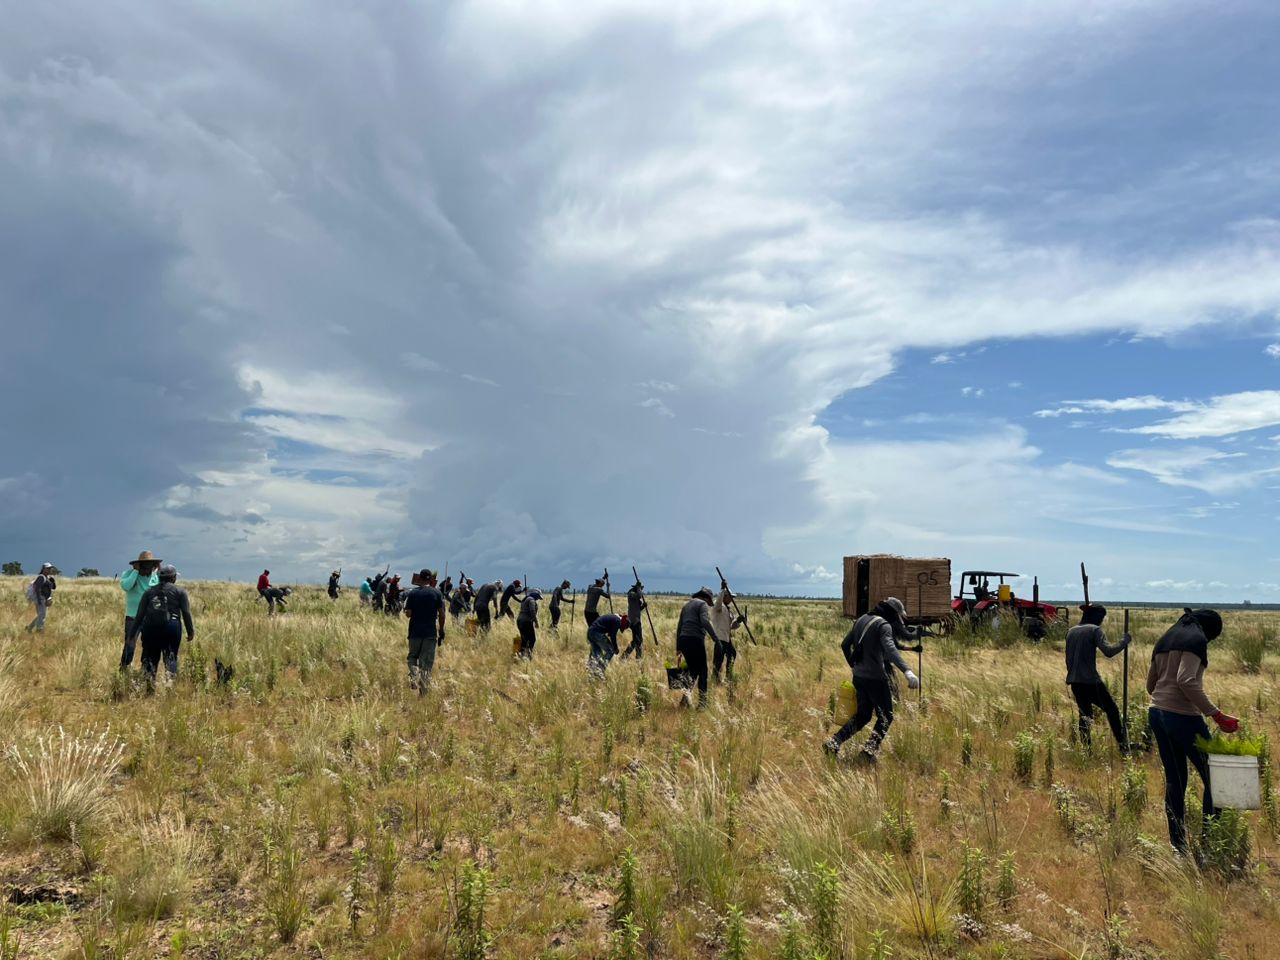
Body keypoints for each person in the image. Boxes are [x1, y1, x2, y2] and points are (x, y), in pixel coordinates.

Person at [1147, 609, 1238, 855]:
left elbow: (1150, 685)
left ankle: (1178, 847)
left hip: (1156, 713)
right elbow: (1186, 680)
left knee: (1175, 780)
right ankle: (1209, 847)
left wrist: (1166, 700)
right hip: (1182, 717)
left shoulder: (1165, 639)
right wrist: (1216, 714)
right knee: (1216, 777)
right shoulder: (1196, 640)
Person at [824, 597, 920, 761]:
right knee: (886, 716)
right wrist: (907, 671)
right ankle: (868, 752)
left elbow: (845, 644)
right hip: (876, 679)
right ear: (892, 612)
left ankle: (833, 743)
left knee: (863, 715)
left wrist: (853, 665)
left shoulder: (862, 619)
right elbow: (890, 649)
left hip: (858, 677)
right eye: (897, 615)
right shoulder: (883, 625)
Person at [1065, 604, 1131, 750]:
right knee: (1112, 710)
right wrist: (1124, 642)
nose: (1101, 621)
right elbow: (1108, 651)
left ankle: (1086, 750)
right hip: (1090, 681)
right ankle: (1122, 744)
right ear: (1097, 617)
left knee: (1085, 715)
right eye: (1102, 617)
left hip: (1075, 681)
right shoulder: (1094, 630)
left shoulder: (1071, 631)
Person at [129, 564, 195, 683]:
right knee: (171, 657)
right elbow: (186, 613)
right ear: (173, 578)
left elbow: (139, 615)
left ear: (159, 578)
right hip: (172, 627)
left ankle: (149, 686)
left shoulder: (148, 592)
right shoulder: (180, 592)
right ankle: (170, 685)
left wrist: (132, 634)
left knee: (150, 658)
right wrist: (190, 631)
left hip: (151, 628)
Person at [674, 588, 724, 708]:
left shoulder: (686, 606)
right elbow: (705, 621)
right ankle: (702, 703)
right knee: (702, 671)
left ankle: (685, 700)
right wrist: (716, 639)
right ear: (706, 597)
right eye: (709, 601)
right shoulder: (702, 604)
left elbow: (679, 627)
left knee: (692, 671)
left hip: (683, 640)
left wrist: (678, 647)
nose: (709, 603)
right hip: (695, 639)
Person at [403, 569, 446, 693]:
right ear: (431, 579)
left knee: (412, 657)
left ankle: (414, 674)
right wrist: (441, 630)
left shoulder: (413, 593)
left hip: (414, 632)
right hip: (430, 634)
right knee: (426, 664)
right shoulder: (437, 593)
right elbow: (442, 614)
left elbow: (408, 614)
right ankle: (424, 692)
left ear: (419, 578)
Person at [119, 551, 161, 669]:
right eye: (144, 565)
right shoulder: (128, 574)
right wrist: (136, 572)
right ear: (138, 565)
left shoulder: (155, 576)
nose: (147, 569)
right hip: (133, 616)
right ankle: (125, 668)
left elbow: (164, 587)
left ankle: (146, 670)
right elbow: (126, 586)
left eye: (150, 565)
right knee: (130, 644)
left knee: (149, 645)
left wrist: (159, 570)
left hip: (150, 617)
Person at [710, 586, 744, 681]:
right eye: (730, 597)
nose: (731, 599)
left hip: (727, 638)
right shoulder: (718, 607)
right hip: (719, 638)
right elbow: (718, 602)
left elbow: (731, 626)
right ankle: (715, 679)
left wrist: (738, 621)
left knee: (732, 654)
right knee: (718, 660)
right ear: (724, 596)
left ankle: (729, 676)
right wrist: (722, 590)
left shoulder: (729, 611)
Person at [587, 613, 628, 677]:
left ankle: (592, 672)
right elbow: (613, 635)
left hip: (590, 632)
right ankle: (600, 670)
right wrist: (615, 648)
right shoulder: (617, 621)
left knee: (596, 654)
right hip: (597, 633)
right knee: (611, 651)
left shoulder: (615, 617)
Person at [25, 563, 57, 633]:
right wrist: (39, 600)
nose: (49, 570)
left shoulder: (48, 578)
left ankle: (29, 627)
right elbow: (37, 588)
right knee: (42, 615)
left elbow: (53, 588)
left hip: (45, 599)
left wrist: (53, 581)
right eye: (48, 568)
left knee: (41, 614)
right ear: (43, 569)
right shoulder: (41, 577)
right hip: (41, 598)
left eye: (50, 568)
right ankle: (39, 629)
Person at [622, 581, 647, 658]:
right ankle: (638, 657)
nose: (641, 590)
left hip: (637, 620)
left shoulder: (635, 595)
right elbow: (639, 596)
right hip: (634, 621)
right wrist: (639, 587)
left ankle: (625, 656)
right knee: (638, 640)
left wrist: (643, 606)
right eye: (640, 588)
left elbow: (638, 609)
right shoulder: (631, 594)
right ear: (637, 588)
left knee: (636, 640)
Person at [516, 589, 543, 659]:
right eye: (538, 596)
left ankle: (519, 655)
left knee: (524, 639)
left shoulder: (525, 599)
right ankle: (528, 655)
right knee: (532, 639)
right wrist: (536, 622)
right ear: (534, 594)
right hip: (527, 621)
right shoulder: (531, 600)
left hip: (519, 621)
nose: (538, 599)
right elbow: (532, 611)